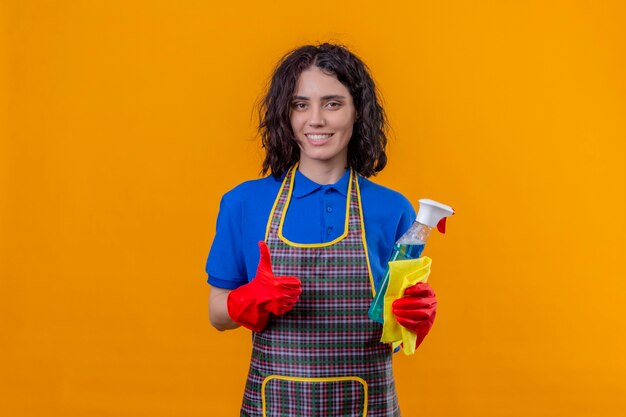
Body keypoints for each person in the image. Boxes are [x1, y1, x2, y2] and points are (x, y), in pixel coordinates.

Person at [206, 43, 438, 417]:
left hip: (367, 404)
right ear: (287, 114)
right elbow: (217, 314)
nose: (315, 119)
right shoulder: (244, 203)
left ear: (357, 111)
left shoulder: (393, 208)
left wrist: (411, 322)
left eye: (332, 103)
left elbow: (395, 329)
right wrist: (245, 300)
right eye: (301, 105)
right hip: (274, 403)